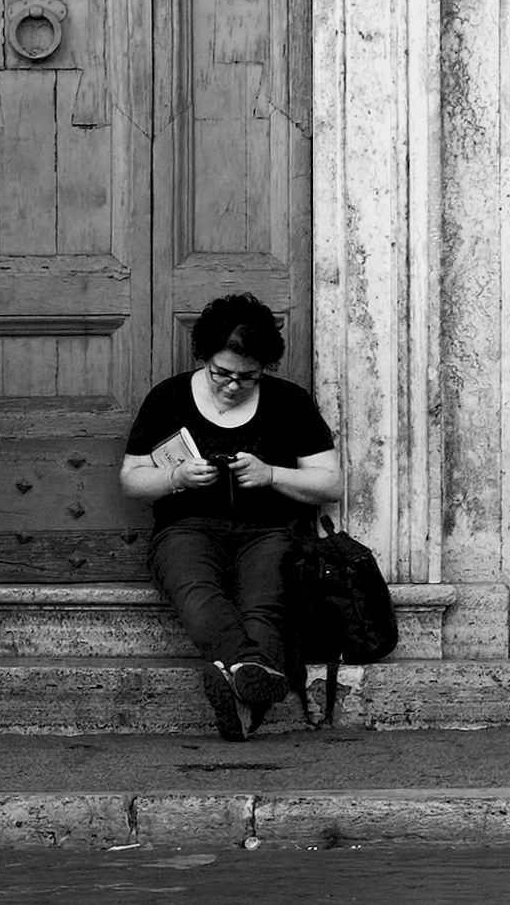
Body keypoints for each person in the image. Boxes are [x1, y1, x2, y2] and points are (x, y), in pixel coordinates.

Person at [121, 293, 341, 740]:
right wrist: (178, 478)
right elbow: (130, 478)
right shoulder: (168, 397)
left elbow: (331, 484)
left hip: (269, 531)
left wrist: (271, 474)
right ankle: (253, 674)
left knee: (264, 604)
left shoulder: (289, 402)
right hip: (186, 528)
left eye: (248, 377)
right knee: (197, 591)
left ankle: (241, 692)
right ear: (204, 357)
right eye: (222, 373)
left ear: (265, 368)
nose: (233, 385)